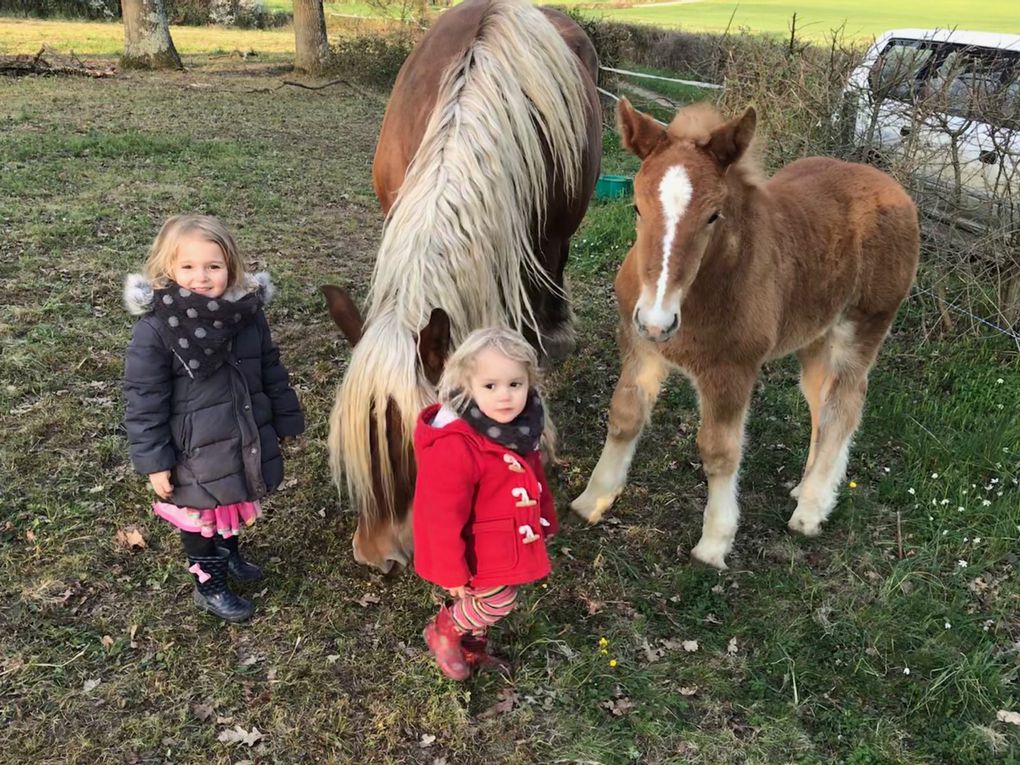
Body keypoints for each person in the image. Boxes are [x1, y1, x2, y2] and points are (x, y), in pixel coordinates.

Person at [122, 214, 304, 623]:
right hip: (192, 449)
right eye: (187, 267)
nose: (201, 277)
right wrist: (155, 462)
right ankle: (210, 584)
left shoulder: (245, 315)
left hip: (238, 434)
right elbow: (144, 399)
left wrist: (286, 417)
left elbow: (269, 368)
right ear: (167, 269)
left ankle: (229, 555)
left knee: (232, 501)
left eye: (213, 266)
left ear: (231, 267)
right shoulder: (156, 329)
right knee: (201, 516)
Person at [413, 327, 558, 679]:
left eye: (515, 384)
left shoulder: (519, 427)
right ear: (468, 387)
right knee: (497, 600)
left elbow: (534, 478)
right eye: (490, 386)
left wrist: (546, 520)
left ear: (530, 381)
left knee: (485, 601)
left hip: (503, 541)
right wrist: (451, 570)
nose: (505, 396)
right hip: (471, 547)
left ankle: (472, 649)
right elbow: (441, 515)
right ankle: (444, 630)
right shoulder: (457, 444)